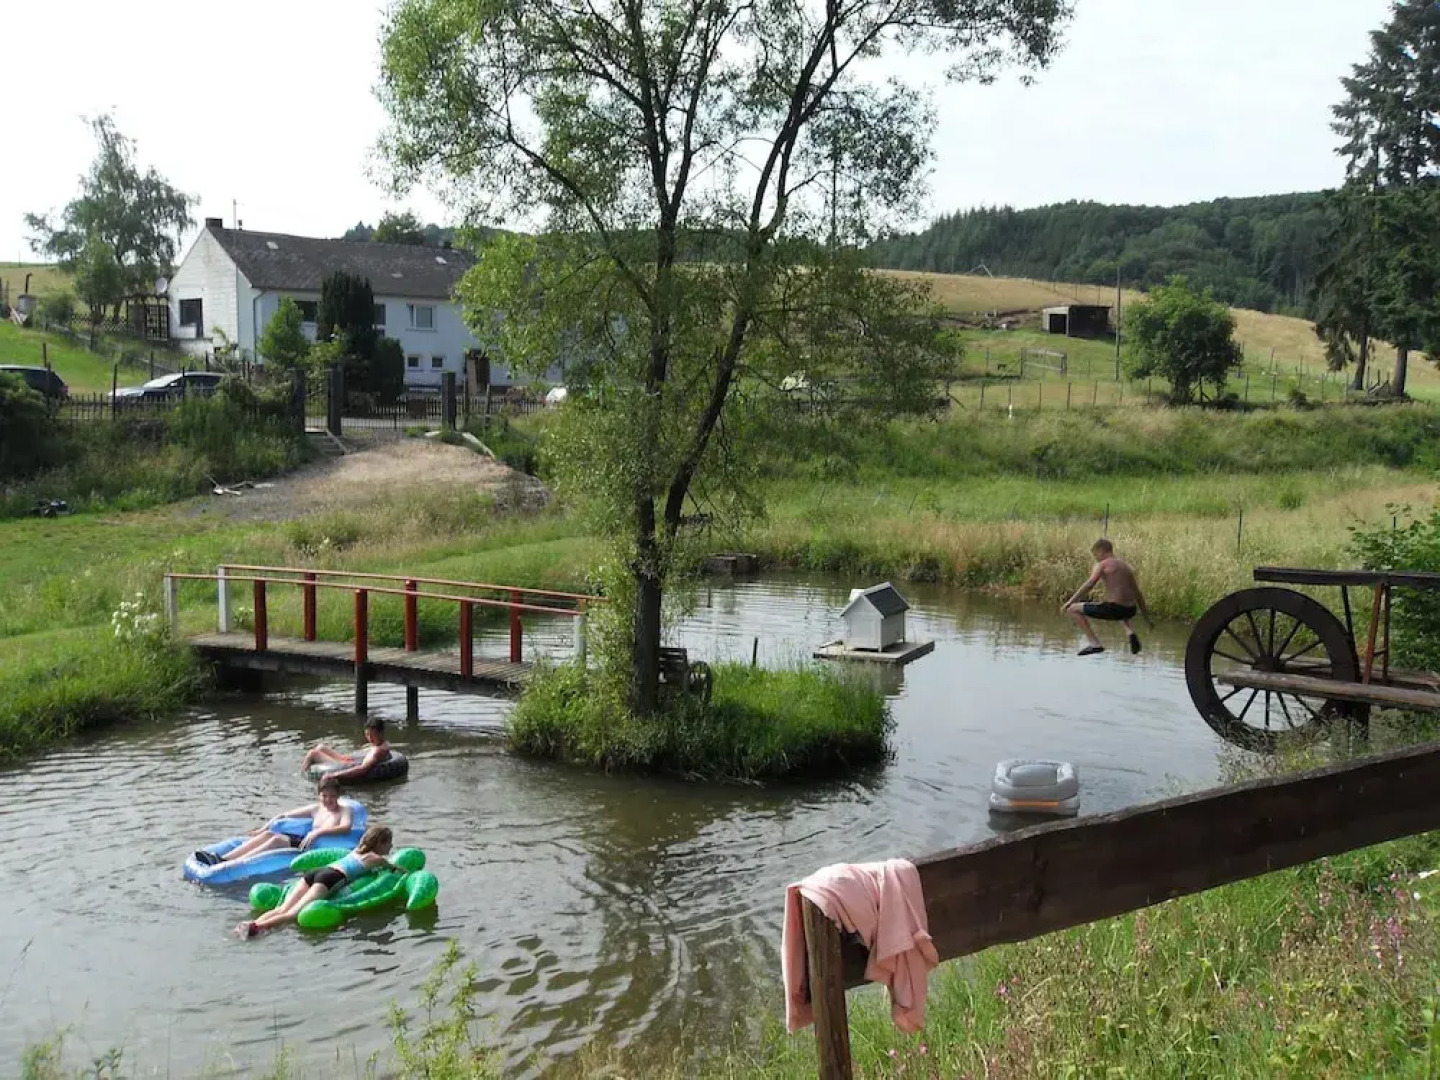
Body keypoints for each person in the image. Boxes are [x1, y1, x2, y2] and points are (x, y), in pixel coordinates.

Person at [234, 825, 396, 938]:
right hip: (331, 878)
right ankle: (257, 928)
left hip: (317, 872)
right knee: (292, 914)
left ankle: (250, 923)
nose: (391, 846)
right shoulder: (376, 858)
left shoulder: (355, 850)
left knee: (282, 907)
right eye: (389, 843)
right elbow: (394, 869)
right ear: (380, 843)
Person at [193, 777, 352, 866]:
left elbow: (346, 827)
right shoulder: (317, 808)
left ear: (338, 795)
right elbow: (282, 815)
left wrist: (318, 832)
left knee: (276, 839)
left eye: (331, 796)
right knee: (270, 833)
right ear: (319, 795)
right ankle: (222, 858)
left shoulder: (344, 811)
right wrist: (262, 830)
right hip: (306, 841)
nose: (328, 800)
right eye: (324, 796)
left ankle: (231, 863)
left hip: (314, 847)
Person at [1062, 538, 1153, 657]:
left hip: (1114, 609)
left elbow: (1090, 584)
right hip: (1130, 610)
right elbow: (1138, 594)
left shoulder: (1102, 565)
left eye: (1095, 555)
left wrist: (1070, 601)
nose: (1095, 558)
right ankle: (1129, 632)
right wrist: (1146, 618)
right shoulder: (1126, 566)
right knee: (1117, 607)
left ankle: (1095, 644)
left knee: (1072, 609)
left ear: (1101, 551)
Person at [301, 717, 392, 783]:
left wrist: (333, 775)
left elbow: (363, 769)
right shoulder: (383, 744)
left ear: (381, 733)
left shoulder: (377, 751)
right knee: (321, 747)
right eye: (367, 735)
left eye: (373, 735)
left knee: (313, 753)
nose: (370, 738)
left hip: (346, 767)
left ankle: (302, 777)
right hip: (349, 761)